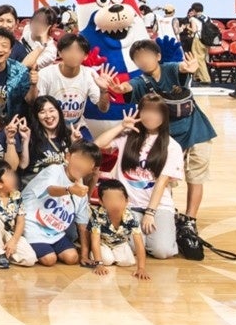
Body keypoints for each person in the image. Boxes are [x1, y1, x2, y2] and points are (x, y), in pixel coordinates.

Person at [117, 40, 213, 232]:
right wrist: (119, 88)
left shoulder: (170, 69)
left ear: (158, 56)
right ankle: (167, 212)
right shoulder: (140, 82)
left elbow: (182, 67)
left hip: (196, 128)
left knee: (195, 175)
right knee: (167, 178)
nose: (144, 60)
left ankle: (190, 219)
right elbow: (128, 87)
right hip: (168, 137)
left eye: (147, 55)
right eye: (138, 58)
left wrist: (189, 67)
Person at [94, 95, 183, 259]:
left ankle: (166, 229)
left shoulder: (172, 146)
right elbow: (98, 144)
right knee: (133, 246)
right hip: (129, 205)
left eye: (156, 112)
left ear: (164, 116)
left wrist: (150, 212)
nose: (151, 116)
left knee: (162, 251)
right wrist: (121, 126)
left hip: (158, 205)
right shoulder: (128, 136)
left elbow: (162, 182)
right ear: (139, 112)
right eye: (146, 111)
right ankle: (146, 236)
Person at [19, 141, 99, 266]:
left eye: (87, 162)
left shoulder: (82, 191)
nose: (81, 164)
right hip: (31, 223)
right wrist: (70, 190)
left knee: (72, 258)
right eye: (79, 158)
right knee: (49, 259)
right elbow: (50, 190)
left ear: (91, 169)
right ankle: (19, 240)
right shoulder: (54, 170)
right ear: (68, 156)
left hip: (54, 232)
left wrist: (84, 255)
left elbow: (82, 226)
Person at [35, 33, 113, 139]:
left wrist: (104, 91)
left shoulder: (89, 74)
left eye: (78, 51)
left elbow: (103, 109)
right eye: (68, 50)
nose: (73, 55)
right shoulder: (46, 74)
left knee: (91, 148)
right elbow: (37, 107)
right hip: (50, 127)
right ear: (60, 53)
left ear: (85, 56)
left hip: (77, 126)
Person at [87, 180, 150, 279]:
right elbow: (95, 241)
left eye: (119, 199)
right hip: (102, 244)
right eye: (109, 199)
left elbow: (139, 243)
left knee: (129, 261)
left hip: (120, 244)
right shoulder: (97, 215)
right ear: (101, 202)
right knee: (107, 260)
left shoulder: (131, 216)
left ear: (126, 201)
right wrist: (99, 264)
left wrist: (141, 268)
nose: (115, 203)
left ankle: (114, 255)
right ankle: (98, 256)